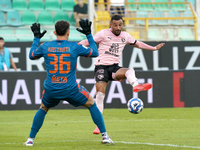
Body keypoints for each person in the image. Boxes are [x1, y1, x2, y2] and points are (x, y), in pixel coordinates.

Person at [23, 19, 114, 146]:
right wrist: (88, 34)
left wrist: (36, 38)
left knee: (43, 108)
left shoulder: (45, 46)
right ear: (68, 32)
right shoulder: (74, 46)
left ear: (54, 32)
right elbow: (95, 52)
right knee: (91, 103)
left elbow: (32, 55)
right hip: (70, 89)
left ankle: (30, 140)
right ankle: (105, 136)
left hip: (51, 89)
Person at [79, 15, 165, 134]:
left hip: (114, 68)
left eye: (120, 25)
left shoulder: (125, 36)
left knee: (130, 70)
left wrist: (154, 48)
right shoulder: (103, 34)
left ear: (122, 24)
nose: (118, 27)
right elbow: (87, 41)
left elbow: (138, 44)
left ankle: (135, 85)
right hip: (101, 68)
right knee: (99, 96)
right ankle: (99, 126)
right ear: (111, 25)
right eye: (115, 25)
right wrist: (75, 46)